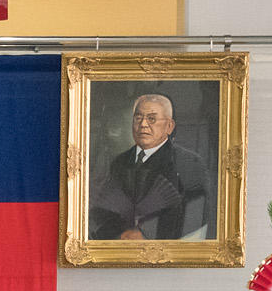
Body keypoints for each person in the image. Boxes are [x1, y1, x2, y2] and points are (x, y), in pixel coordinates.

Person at [86, 92, 210, 241]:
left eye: (152, 119)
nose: (143, 124)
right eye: (138, 118)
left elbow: (195, 215)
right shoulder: (120, 162)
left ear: (169, 126)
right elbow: (107, 210)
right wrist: (119, 235)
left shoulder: (190, 163)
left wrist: (146, 234)